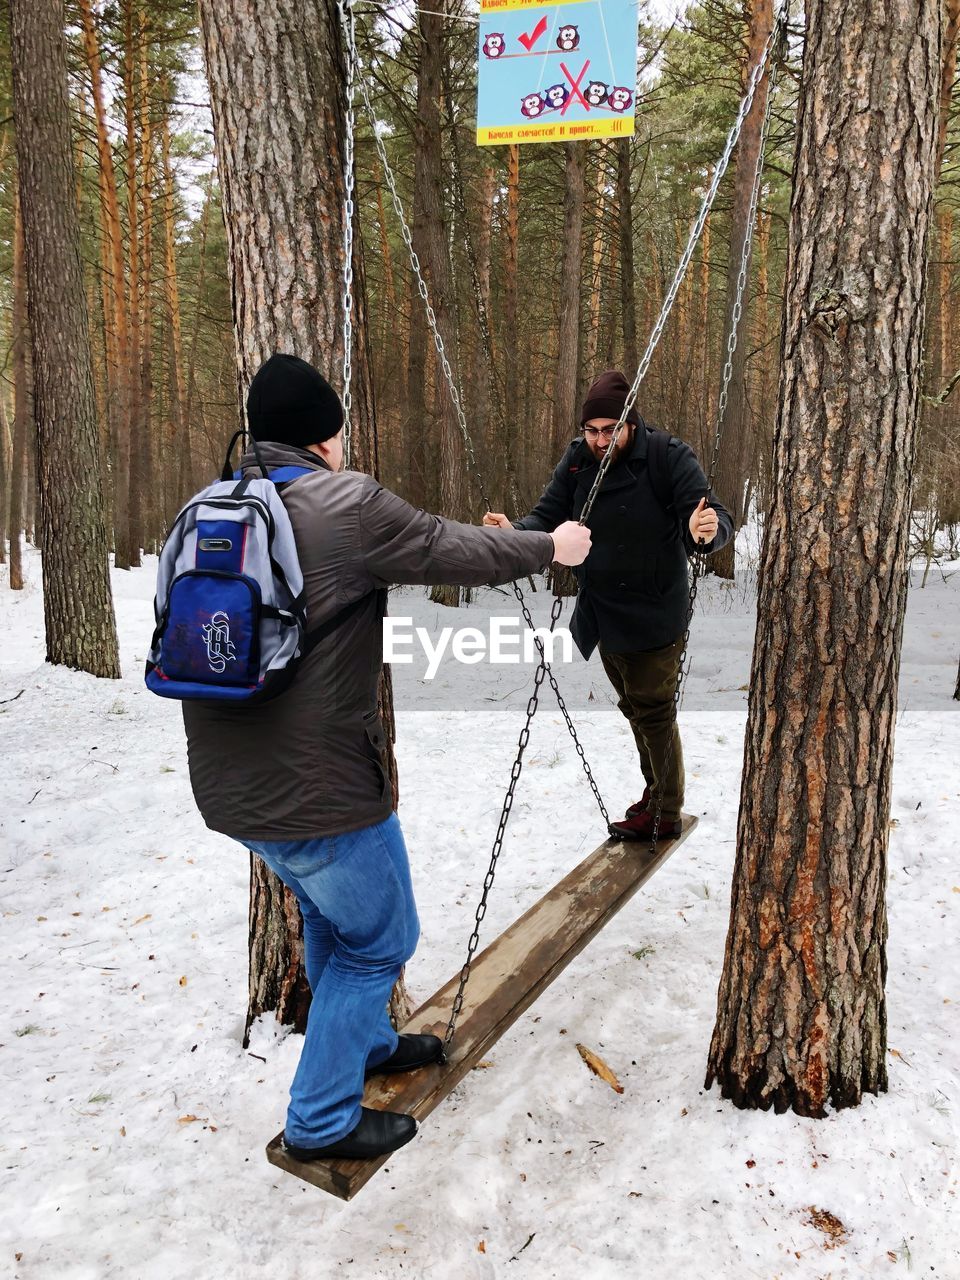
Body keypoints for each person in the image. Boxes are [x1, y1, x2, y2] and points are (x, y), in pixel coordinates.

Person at [180, 353, 590, 1162]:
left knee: (339, 924)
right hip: (321, 789)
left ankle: (363, 1047)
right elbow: (450, 550)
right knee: (382, 938)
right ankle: (322, 1119)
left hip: (231, 790)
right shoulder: (345, 503)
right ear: (325, 439)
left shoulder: (211, 504)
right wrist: (554, 546)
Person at [484, 369, 731, 841]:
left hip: (655, 608)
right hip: (603, 609)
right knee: (634, 707)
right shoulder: (577, 461)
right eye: (592, 430)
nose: (600, 440)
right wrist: (514, 533)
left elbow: (711, 514)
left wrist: (708, 530)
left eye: (610, 429)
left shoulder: (666, 456)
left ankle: (665, 811)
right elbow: (547, 514)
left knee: (654, 710)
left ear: (630, 424)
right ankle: (657, 791)